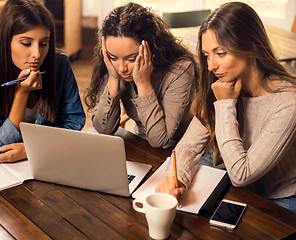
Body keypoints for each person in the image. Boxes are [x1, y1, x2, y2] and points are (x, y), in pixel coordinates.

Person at [156, 2, 296, 213]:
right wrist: (175, 181)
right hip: (237, 188)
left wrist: (225, 104)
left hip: (280, 198)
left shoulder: (287, 102)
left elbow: (242, 173)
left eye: (220, 53)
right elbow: (189, 146)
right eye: (206, 55)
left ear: (251, 46)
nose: (211, 66)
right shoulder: (222, 84)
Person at [0, 0, 85, 163]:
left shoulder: (59, 64)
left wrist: (32, 149)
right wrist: (21, 93)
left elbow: (74, 122)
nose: (37, 53)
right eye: (26, 43)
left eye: (44, 43)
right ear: (6, 41)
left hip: (47, 159)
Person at [85, 2, 198, 149]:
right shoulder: (114, 68)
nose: (122, 68)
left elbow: (160, 141)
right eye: (113, 58)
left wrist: (143, 83)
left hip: (182, 149)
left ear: (151, 48)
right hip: (142, 145)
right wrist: (113, 80)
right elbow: (103, 130)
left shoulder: (180, 69)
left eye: (131, 59)